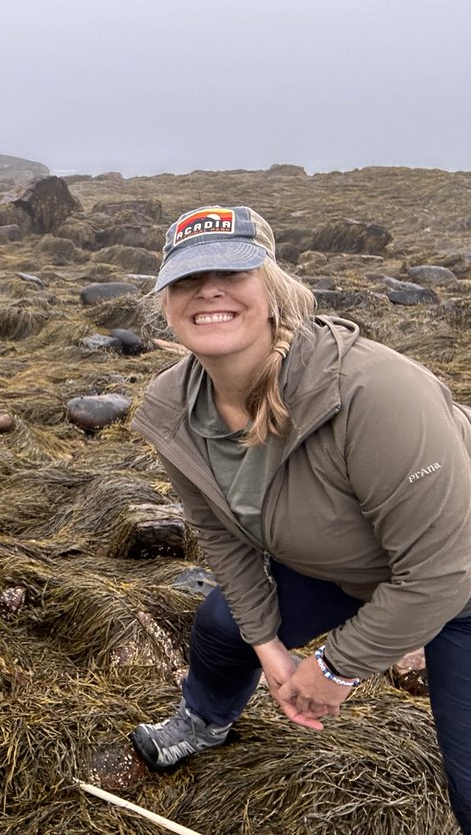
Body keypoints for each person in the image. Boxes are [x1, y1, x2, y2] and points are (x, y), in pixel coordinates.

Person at [128, 206, 471, 830]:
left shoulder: (376, 392)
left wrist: (335, 667)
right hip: (346, 563)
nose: (208, 290)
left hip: (460, 579)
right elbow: (220, 538)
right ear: (167, 305)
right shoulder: (172, 406)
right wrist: (269, 649)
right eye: (186, 279)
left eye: (232, 272)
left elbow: (443, 573)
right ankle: (206, 720)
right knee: (222, 626)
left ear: (274, 289)